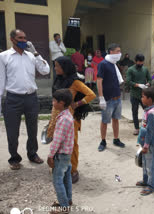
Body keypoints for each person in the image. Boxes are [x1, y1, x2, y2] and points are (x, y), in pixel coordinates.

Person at [0, 29, 50, 170]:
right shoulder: (4, 56)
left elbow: (45, 70)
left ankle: (32, 154)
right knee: (12, 131)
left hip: (31, 98)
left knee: (32, 129)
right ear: (12, 39)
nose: (23, 40)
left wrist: (36, 53)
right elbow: (1, 80)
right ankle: (14, 158)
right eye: (20, 38)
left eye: (25, 38)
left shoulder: (31, 56)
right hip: (13, 99)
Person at [47, 56, 96, 183]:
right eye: (55, 65)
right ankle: (59, 166)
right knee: (57, 141)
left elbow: (91, 94)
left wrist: (77, 104)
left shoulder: (75, 82)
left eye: (58, 66)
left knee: (72, 144)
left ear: (65, 68)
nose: (56, 68)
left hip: (69, 118)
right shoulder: (58, 80)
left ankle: (73, 170)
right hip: (56, 115)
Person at [47, 89, 74, 213]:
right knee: (66, 177)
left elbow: (57, 140)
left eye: (54, 101)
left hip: (61, 154)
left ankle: (64, 207)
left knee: (57, 180)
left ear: (61, 103)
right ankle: (67, 200)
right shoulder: (68, 116)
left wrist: (50, 156)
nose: (52, 103)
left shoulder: (63, 120)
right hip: (67, 154)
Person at [97, 43, 125, 151]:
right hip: (107, 99)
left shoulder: (114, 64)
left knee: (116, 119)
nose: (119, 53)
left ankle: (116, 139)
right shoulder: (103, 64)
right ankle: (103, 141)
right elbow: (99, 81)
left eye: (120, 51)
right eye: (117, 51)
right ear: (111, 52)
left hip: (117, 97)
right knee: (105, 121)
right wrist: (101, 98)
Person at [136, 88, 154, 196]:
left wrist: (146, 145)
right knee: (145, 163)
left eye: (143, 97)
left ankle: (151, 186)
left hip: (150, 144)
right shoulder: (147, 110)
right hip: (145, 142)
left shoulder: (151, 113)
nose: (142, 98)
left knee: (150, 165)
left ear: (149, 99)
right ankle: (145, 181)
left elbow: (150, 131)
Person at [126, 54, 152, 135]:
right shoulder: (130, 69)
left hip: (143, 95)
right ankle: (136, 128)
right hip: (134, 94)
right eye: (139, 62)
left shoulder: (145, 69)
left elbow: (150, 79)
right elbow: (128, 81)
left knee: (147, 111)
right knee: (134, 111)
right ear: (135, 61)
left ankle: (146, 126)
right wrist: (137, 85)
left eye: (142, 62)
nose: (141, 63)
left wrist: (148, 84)